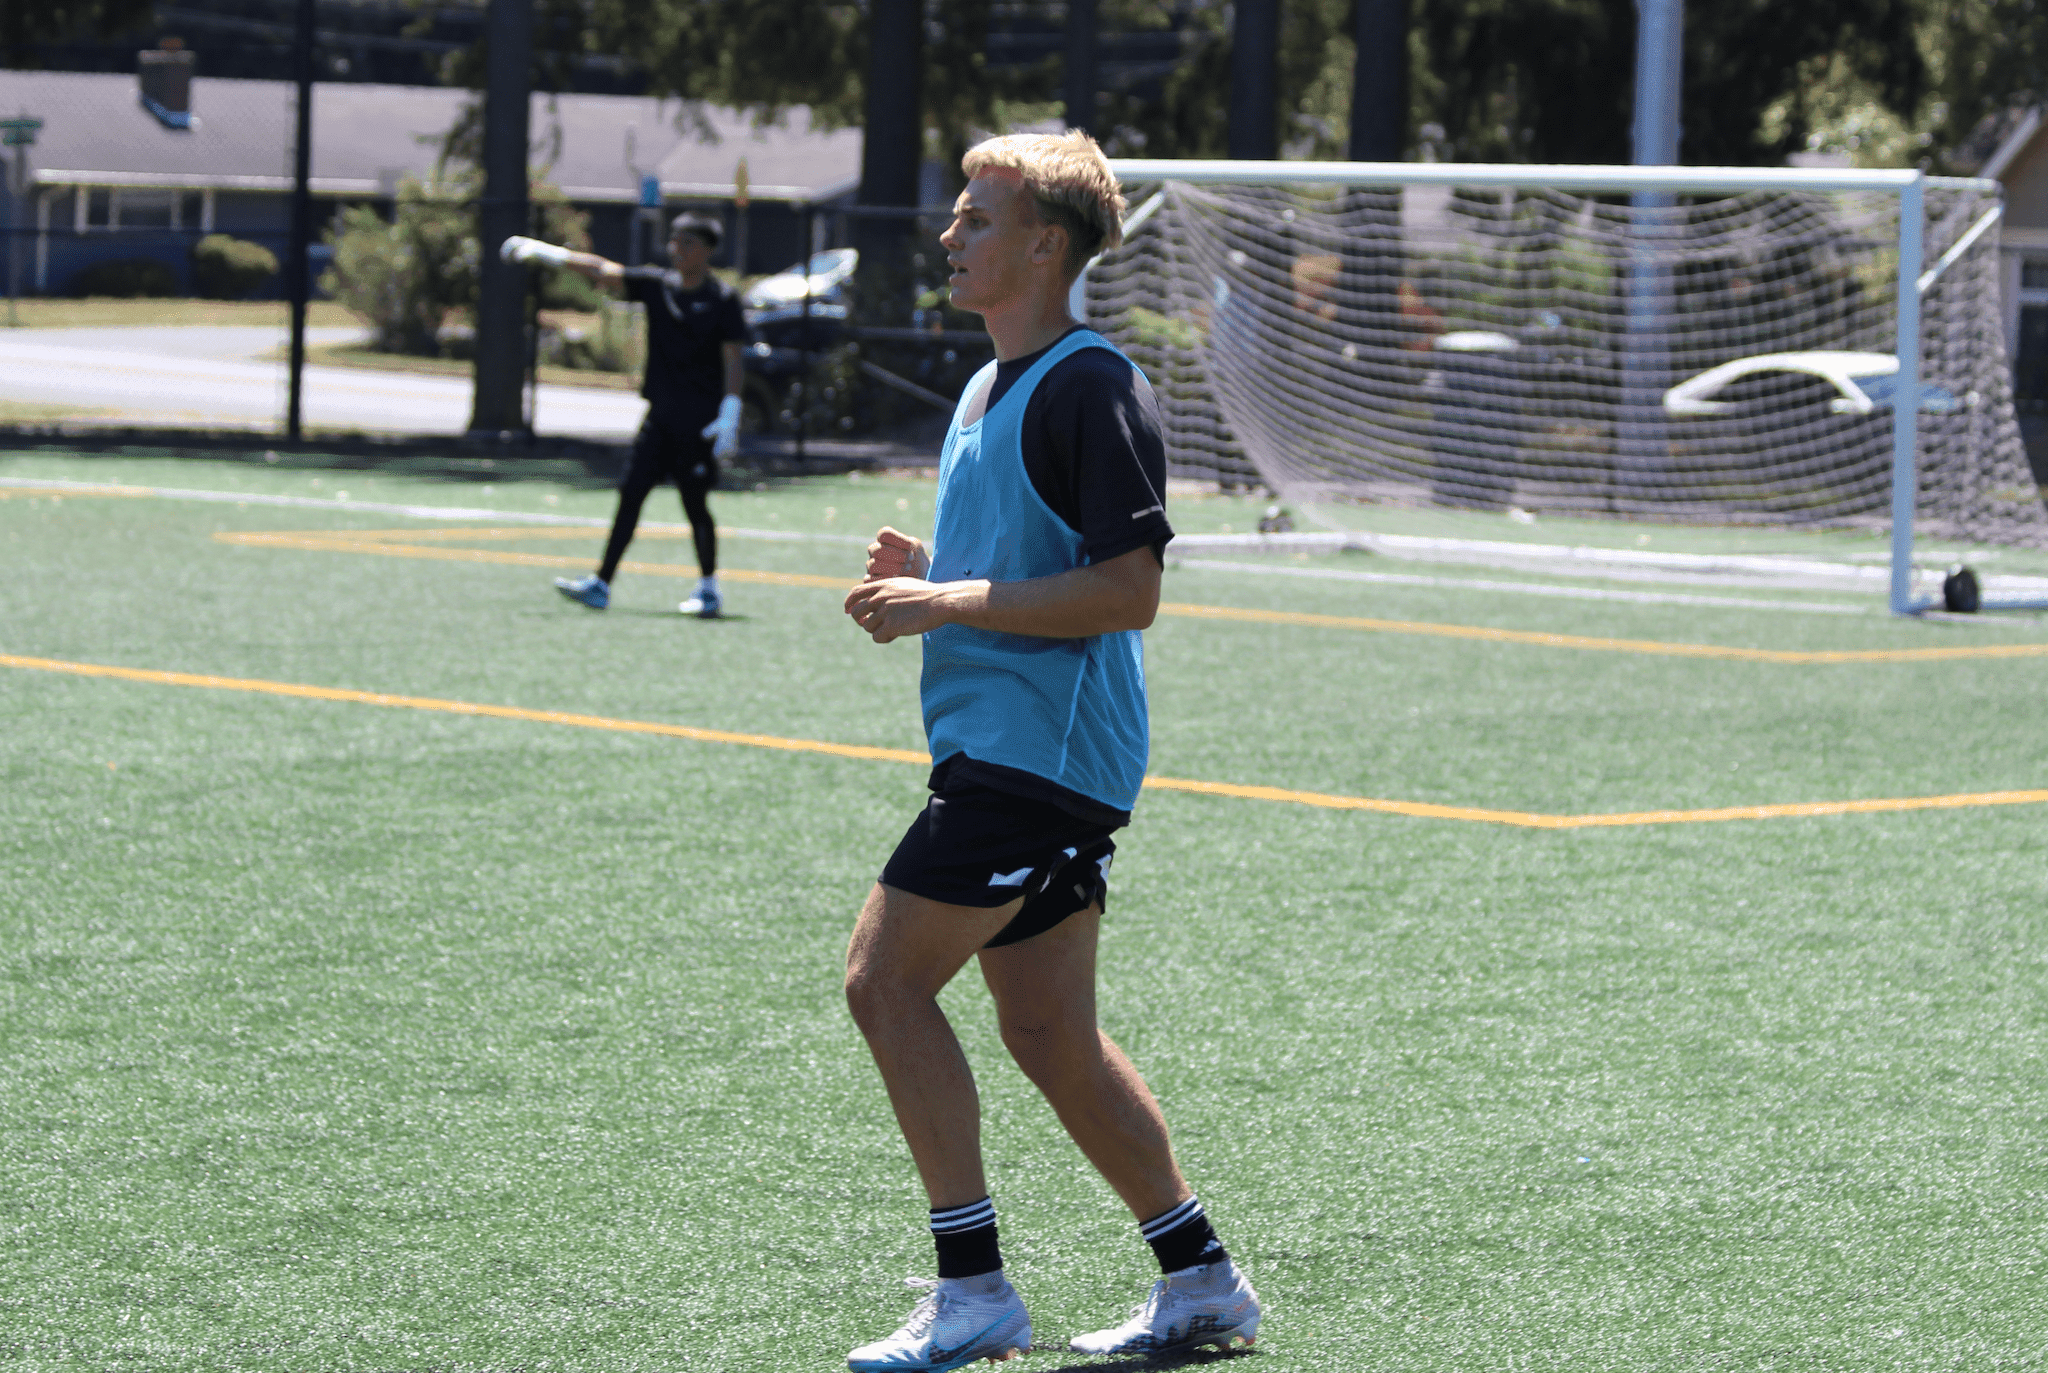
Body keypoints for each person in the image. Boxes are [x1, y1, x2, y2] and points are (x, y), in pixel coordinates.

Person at [838, 131, 1262, 1372]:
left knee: (882, 979)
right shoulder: (985, 387)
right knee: (1046, 1035)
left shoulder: (1090, 381)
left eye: (976, 217)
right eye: (956, 215)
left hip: (1039, 758)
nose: (949, 234)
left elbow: (1126, 589)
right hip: (1006, 747)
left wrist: (949, 602)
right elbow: (1028, 562)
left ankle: (972, 1289)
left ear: (1043, 245)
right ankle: (1200, 1278)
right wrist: (933, 573)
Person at [505, 212, 747, 618]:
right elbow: (601, 270)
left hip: (698, 423)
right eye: (674, 240)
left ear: (706, 250)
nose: (677, 249)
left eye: (687, 242)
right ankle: (601, 583)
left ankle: (708, 589)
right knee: (630, 496)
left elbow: (734, 358)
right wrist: (545, 253)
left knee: (695, 505)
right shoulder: (657, 286)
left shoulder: (723, 300)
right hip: (659, 419)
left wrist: (731, 412)